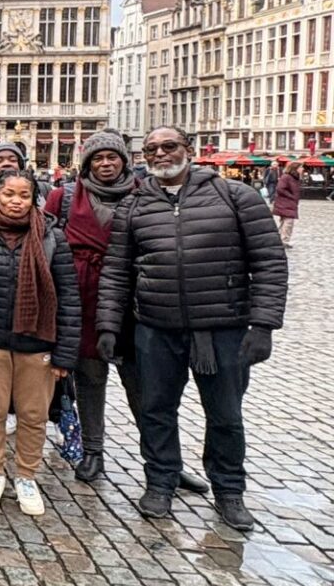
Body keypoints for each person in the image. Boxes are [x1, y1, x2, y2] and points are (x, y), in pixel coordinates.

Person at [96, 127, 286, 532]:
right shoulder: (135, 204)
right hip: (156, 325)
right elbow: (116, 271)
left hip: (221, 327)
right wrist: (109, 325)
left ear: (189, 150)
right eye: (151, 149)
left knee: (226, 415)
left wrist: (264, 324)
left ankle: (229, 490)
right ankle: (160, 481)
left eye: (169, 146)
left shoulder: (235, 196)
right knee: (155, 410)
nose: (160, 154)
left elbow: (269, 262)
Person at [0, 168, 80, 517]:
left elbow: (69, 297)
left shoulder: (51, 236)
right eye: (9, 194)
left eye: (24, 195)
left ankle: (26, 475)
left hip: (37, 342)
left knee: (33, 414)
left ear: (33, 198)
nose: (16, 202)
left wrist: (65, 353)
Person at [41, 130, 138, 484]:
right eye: (98, 158)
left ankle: (161, 459)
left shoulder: (143, 195)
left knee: (143, 385)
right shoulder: (63, 197)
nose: (105, 164)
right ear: (87, 164)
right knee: (90, 379)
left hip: (130, 301)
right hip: (80, 299)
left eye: (112, 157)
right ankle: (93, 451)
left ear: (124, 161)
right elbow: (43, 243)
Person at [273, 162, 301, 246]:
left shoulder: (294, 178)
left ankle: (279, 239)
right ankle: (284, 240)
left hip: (289, 203)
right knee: (288, 222)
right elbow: (280, 189)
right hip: (285, 203)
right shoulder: (286, 177)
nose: (302, 169)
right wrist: (291, 196)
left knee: (285, 222)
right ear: (295, 168)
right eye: (300, 167)